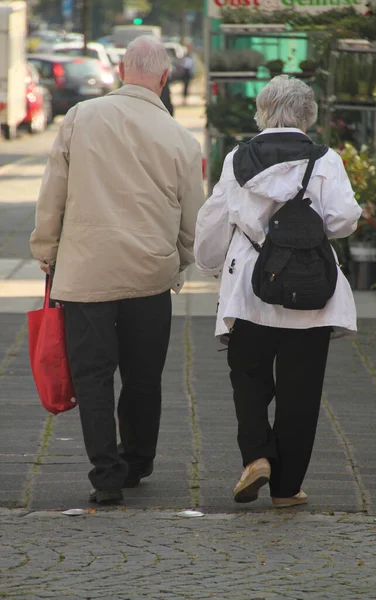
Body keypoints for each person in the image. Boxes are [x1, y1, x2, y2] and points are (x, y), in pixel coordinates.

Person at [30, 36, 204, 504]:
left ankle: (106, 474)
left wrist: (46, 248)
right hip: (149, 276)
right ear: (165, 79)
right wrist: (179, 261)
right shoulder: (180, 139)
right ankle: (138, 460)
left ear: (122, 71)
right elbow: (193, 219)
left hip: (85, 275)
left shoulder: (81, 118)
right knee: (144, 376)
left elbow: (54, 191)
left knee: (93, 376)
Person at [194, 75, 361, 508]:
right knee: (300, 391)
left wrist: (210, 263)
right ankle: (287, 489)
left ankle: (256, 456)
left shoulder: (236, 160)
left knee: (247, 376)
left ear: (262, 112)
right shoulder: (326, 161)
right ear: (309, 115)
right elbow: (343, 221)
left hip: (250, 290)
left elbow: (213, 221)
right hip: (309, 294)